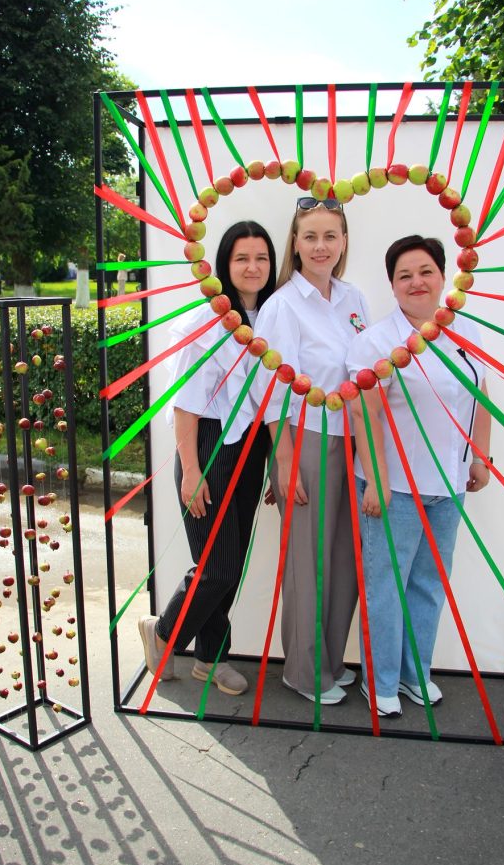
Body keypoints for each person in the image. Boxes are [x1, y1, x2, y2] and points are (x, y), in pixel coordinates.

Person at [346, 234, 492, 718]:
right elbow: (364, 413)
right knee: (386, 588)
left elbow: (480, 394)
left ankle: (414, 674)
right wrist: (377, 481)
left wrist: (479, 457)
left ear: (442, 276)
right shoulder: (375, 343)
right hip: (394, 491)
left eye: (426, 271)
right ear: (392, 285)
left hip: (450, 485)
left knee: (428, 585)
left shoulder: (465, 332)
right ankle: (380, 681)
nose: (416, 282)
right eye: (404, 275)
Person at [138, 220, 277, 695]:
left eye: (261, 258)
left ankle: (210, 660)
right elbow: (187, 401)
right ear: (224, 264)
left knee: (229, 567)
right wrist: (192, 470)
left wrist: (277, 462)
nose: (253, 267)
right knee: (215, 565)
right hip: (209, 444)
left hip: (253, 446)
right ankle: (163, 633)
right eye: (242, 258)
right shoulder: (206, 321)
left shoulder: (272, 318)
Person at [254, 197, 371, 705]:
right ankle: (303, 671)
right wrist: (284, 462)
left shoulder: (354, 298)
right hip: (306, 440)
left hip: (354, 440)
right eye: (310, 237)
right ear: (295, 245)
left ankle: (330, 661)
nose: (321, 246)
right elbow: (271, 388)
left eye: (330, 236)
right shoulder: (283, 306)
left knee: (345, 559)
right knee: (309, 561)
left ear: (343, 241)